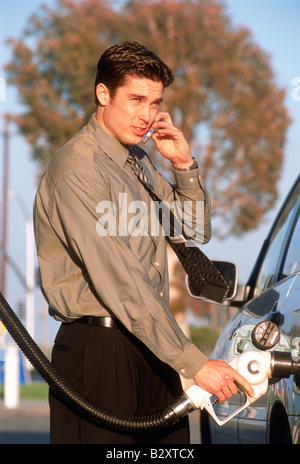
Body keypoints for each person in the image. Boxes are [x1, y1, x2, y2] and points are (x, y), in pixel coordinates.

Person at [33, 41, 254, 444]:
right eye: (136, 99)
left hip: (149, 343)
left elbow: (194, 229)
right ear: (104, 94)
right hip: (100, 349)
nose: (147, 115)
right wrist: (194, 363)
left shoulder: (137, 161)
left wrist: (183, 165)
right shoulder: (77, 170)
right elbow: (120, 280)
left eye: (155, 102)